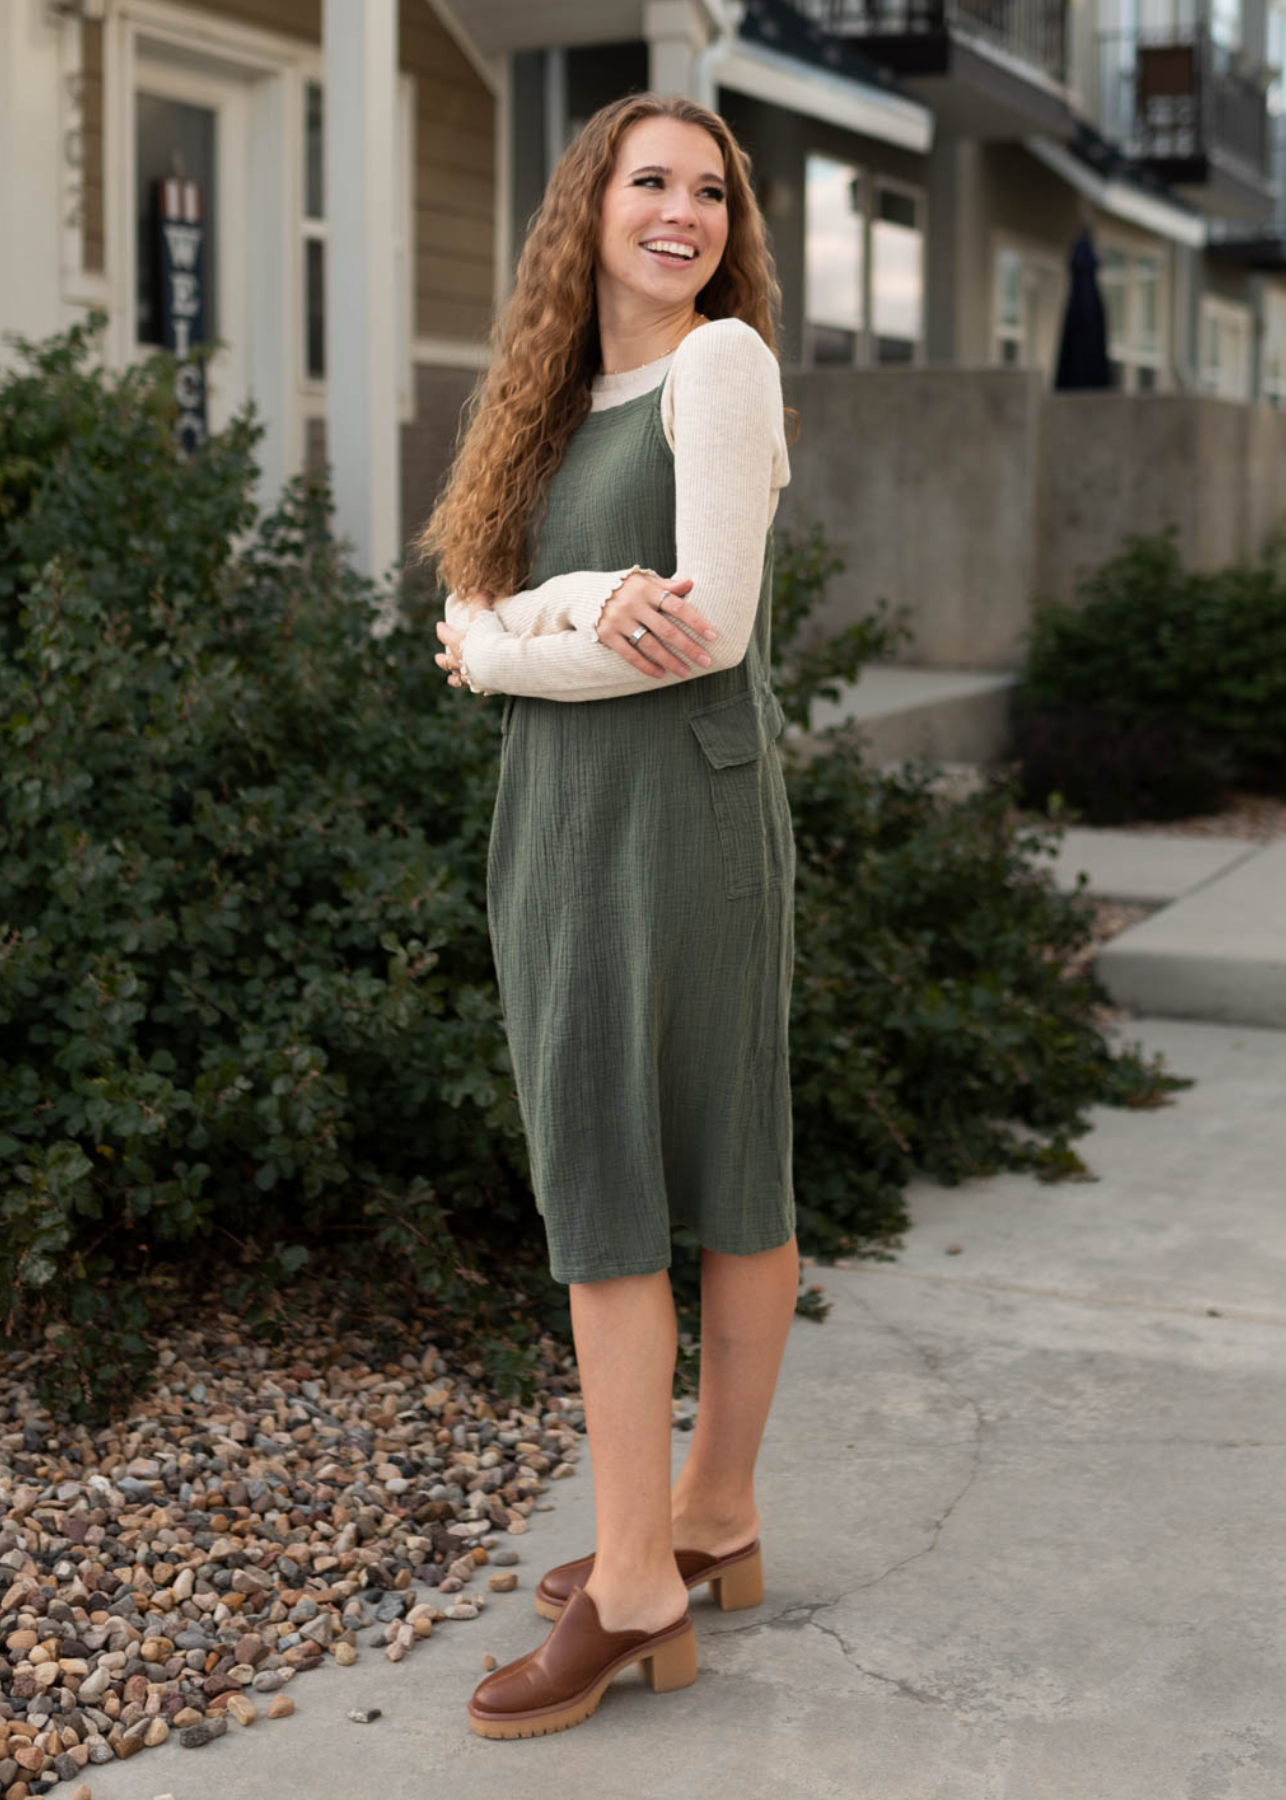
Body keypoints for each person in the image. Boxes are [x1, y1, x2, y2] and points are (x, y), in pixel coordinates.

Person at [414, 91, 801, 1741]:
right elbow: (461, 609)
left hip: (687, 805)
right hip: (558, 814)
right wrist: (565, 608)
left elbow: (702, 633)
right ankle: (705, 1525)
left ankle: (648, 1575)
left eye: (709, 191)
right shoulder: (545, 392)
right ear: (588, 202)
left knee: (684, 1164)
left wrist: (508, 642)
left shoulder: (720, 365)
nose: (682, 212)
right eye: (650, 181)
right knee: (612, 1161)